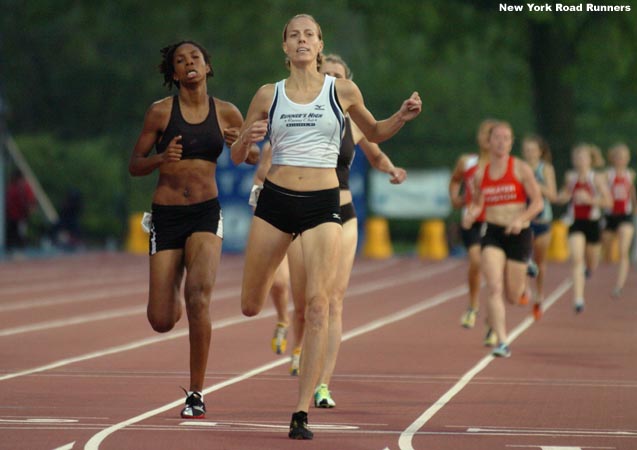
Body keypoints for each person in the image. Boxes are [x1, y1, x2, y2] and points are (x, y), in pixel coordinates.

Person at [231, 14, 421, 440]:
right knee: (249, 303)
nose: (302, 40)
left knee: (318, 305)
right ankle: (276, 322)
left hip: (323, 203)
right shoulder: (268, 94)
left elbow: (376, 132)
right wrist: (247, 139)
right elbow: (239, 154)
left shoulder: (342, 91)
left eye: (310, 35)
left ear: (320, 45)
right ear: (284, 47)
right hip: (276, 201)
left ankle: (301, 410)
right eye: (294, 35)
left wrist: (402, 116)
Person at [128, 40, 244, 419]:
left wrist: (242, 144)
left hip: (206, 214)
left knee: (199, 297)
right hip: (167, 216)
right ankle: (173, 283)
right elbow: (135, 164)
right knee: (161, 320)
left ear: (207, 66)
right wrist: (162, 157)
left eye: (195, 57)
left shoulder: (226, 112)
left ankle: (196, 392)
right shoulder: (160, 113)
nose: (189, 63)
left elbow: (251, 155)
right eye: (181, 61)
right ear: (174, 74)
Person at [463, 121, 543, 358]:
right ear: (489, 142)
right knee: (494, 287)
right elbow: (478, 203)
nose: (501, 142)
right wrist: (472, 214)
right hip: (493, 233)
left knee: (513, 295)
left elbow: (538, 203)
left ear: (511, 142)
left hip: (519, 234)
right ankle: (502, 341)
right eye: (496, 137)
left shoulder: (520, 168)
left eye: (506, 138)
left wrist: (521, 218)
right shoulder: (481, 174)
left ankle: (524, 282)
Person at [449, 119, 495, 333]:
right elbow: (455, 180)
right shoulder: (466, 162)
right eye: (484, 133)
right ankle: (473, 306)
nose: (486, 137)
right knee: (476, 261)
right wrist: (455, 198)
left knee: (495, 271)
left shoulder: (504, 165)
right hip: (471, 220)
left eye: (491, 134)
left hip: (495, 221)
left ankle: (492, 320)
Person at [556, 144, 612, 313]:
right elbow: (561, 197)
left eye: (583, 157)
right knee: (576, 259)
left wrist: (590, 200)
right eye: (577, 157)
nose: (580, 160)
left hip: (592, 223)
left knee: (591, 262)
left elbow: (608, 202)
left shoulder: (596, 178)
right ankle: (578, 299)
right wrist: (564, 196)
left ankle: (589, 269)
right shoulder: (570, 178)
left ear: (590, 160)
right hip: (576, 223)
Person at [521, 135, 557, 320]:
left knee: (540, 262)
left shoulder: (546, 169)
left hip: (542, 220)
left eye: (532, 150)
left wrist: (535, 184)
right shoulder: (519, 167)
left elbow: (553, 195)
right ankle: (525, 288)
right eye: (526, 150)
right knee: (524, 257)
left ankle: (539, 295)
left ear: (540, 151)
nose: (529, 153)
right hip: (525, 219)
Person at [601, 143, 635, 297]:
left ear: (628, 158)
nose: (621, 159)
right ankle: (606, 273)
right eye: (618, 156)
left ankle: (619, 286)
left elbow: (632, 193)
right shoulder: (608, 175)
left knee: (623, 250)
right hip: (609, 217)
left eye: (624, 156)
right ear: (613, 158)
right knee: (607, 253)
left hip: (625, 217)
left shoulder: (631, 174)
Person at [5, 170, 37, 251]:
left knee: (20, 234)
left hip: (21, 216)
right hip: (11, 215)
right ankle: (13, 248)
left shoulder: (24, 186)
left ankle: (21, 248)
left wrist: (30, 210)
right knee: (12, 233)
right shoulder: (12, 186)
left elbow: (31, 201)